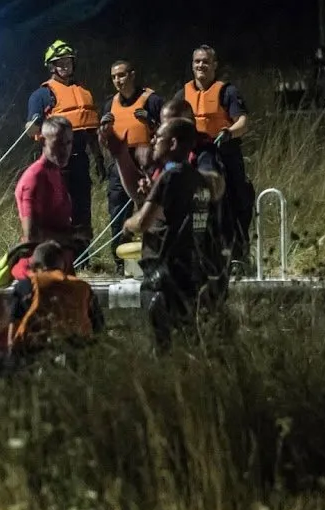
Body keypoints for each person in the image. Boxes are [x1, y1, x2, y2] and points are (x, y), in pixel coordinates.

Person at [123, 118, 228, 352]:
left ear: (172, 143)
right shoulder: (198, 179)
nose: (152, 141)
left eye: (157, 137)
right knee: (188, 341)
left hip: (164, 273)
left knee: (162, 346)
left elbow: (142, 222)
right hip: (191, 272)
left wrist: (127, 225)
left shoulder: (170, 177)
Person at [172, 45, 254, 271]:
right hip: (194, 157)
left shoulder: (227, 92)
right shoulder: (183, 95)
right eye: (197, 61)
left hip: (225, 154)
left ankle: (237, 255)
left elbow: (243, 122)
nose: (201, 66)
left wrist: (229, 132)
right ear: (192, 65)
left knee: (237, 202)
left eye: (205, 62)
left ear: (214, 65)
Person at [25, 40, 105, 257]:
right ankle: (57, 254)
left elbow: (91, 130)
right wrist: (37, 125)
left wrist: (99, 159)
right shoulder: (41, 95)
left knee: (82, 209)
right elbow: (31, 129)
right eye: (60, 62)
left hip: (80, 160)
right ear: (51, 66)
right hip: (57, 163)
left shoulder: (84, 93)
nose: (65, 66)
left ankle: (82, 257)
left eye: (68, 61)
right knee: (58, 209)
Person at [0, 116, 83, 286]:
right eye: (59, 143)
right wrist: (72, 235)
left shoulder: (56, 172)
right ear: (42, 141)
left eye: (69, 143)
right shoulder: (34, 178)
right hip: (37, 276)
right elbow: (32, 235)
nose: (65, 149)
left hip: (57, 269)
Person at [97, 60, 164, 275]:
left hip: (147, 159)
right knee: (118, 209)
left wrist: (152, 122)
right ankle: (120, 261)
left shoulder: (152, 100)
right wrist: (104, 131)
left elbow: (168, 131)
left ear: (132, 75)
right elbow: (104, 139)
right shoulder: (110, 104)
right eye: (114, 76)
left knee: (151, 209)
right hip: (120, 161)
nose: (118, 80)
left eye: (122, 75)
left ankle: (153, 256)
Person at [8, 240, 102, 357]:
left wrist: (11, 354)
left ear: (35, 266)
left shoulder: (28, 284)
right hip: (79, 351)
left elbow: (13, 324)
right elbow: (98, 327)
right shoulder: (84, 288)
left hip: (36, 352)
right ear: (63, 265)